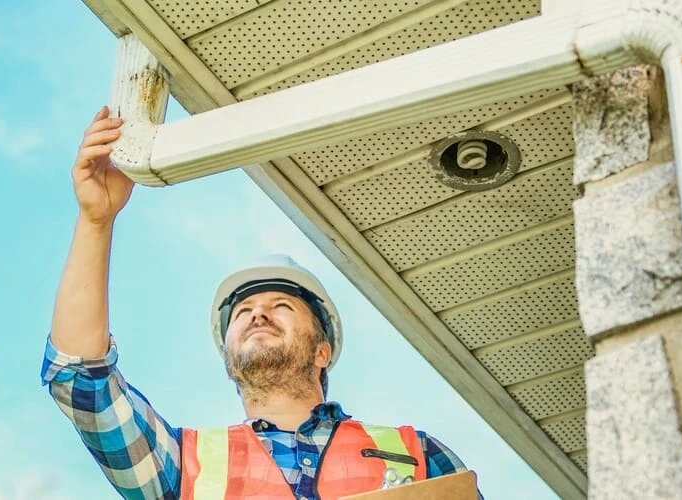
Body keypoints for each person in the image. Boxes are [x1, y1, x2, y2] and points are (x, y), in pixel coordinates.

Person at [42, 106, 481, 499]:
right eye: (244, 312)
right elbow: (82, 381)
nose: (257, 313)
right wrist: (96, 221)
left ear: (322, 350)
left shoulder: (416, 455)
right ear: (229, 360)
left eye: (282, 306)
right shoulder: (182, 466)